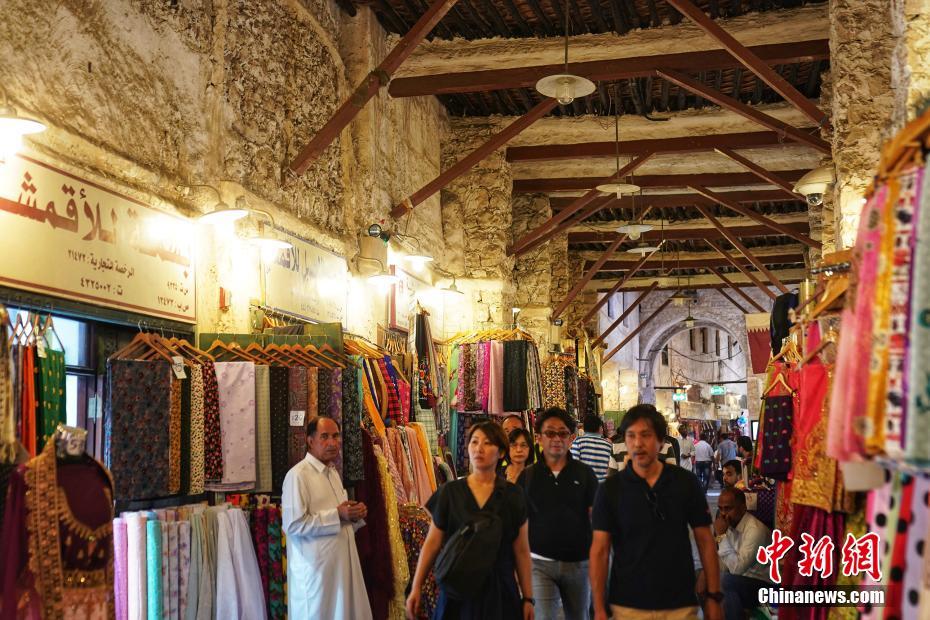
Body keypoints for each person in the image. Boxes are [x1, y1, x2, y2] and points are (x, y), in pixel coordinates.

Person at [590, 404, 723, 620]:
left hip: (679, 605)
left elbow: (705, 541)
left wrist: (714, 597)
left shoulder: (685, 483)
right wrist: (598, 609)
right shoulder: (610, 490)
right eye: (631, 436)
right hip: (628, 607)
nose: (638, 443)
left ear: (661, 441)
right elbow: (600, 551)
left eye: (646, 435)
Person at [406, 421, 535, 619]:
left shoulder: (513, 495)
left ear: (501, 452)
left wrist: (528, 598)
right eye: (474, 442)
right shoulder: (450, 493)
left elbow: (521, 550)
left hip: (499, 591)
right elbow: (432, 544)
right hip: (458, 590)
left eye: (487, 443)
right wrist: (416, 587)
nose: (479, 448)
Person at [282, 416, 373, 619]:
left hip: (340, 569)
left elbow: (339, 520)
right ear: (310, 441)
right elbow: (293, 526)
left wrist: (354, 515)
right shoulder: (298, 476)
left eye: (335, 436)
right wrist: (337, 514)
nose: (332, 442)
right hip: (316, 574)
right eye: (324, 437)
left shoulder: (332, 473)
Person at [517, 408, 598, 620]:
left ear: (571, 438)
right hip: (539, 563)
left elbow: (596, 518)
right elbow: (519, 524)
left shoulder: (584, 474)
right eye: (550, 433)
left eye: (562, 433)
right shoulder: (528, 477)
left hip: (579, 563)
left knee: (580, 616)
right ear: (539, 438)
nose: (556, 439)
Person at [714, 488, 772, 619]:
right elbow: (724, 566)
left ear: (743, 508)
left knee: (724, 581)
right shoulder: (729, 526)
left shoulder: (755, 530)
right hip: (742, 581)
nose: (723, 514)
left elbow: (737, 569)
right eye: (720, 509)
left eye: (728, 508)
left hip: (764, 586)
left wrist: (721, 537)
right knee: (701, 576)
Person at [569, 415, 613, 481]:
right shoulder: (608, 445)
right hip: (602, 485)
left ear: (583, 428)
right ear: (600, 428)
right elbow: (611, 469)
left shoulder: (578, 442)